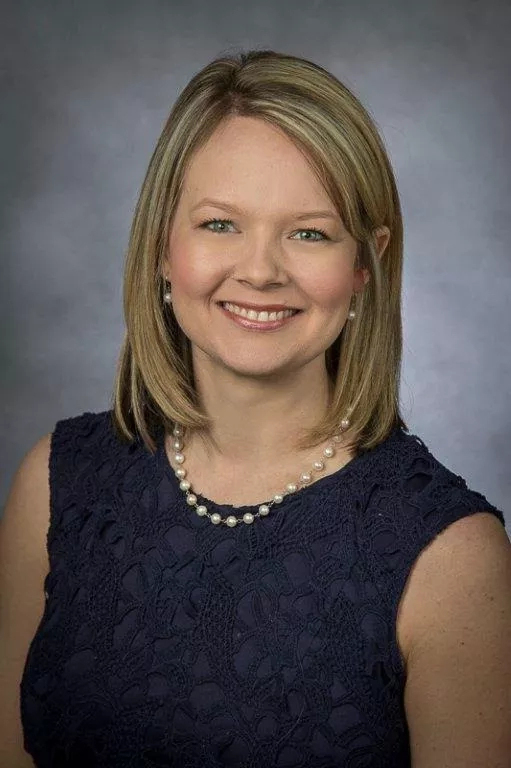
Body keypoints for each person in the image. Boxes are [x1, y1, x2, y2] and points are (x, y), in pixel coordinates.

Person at [1, 49, 510, 768]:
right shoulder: (56, 483)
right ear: (160, 247)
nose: (261, 270)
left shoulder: (451, 558)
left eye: (310, 232)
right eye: (219, 224)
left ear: (364, 265)